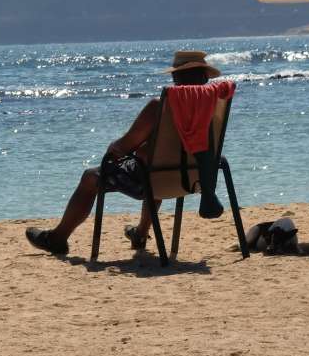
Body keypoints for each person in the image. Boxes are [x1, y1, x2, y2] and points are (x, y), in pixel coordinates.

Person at [25, 50, 221, 256]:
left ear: (175, 78)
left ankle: (57, 238)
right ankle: (140, 234)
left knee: (91, 177)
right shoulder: (214, 104)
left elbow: (123, 147)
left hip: (151, 180)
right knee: (154, 164)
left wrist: (113, 148)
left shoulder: (160, 107)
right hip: (197, 177)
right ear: (205, 77)